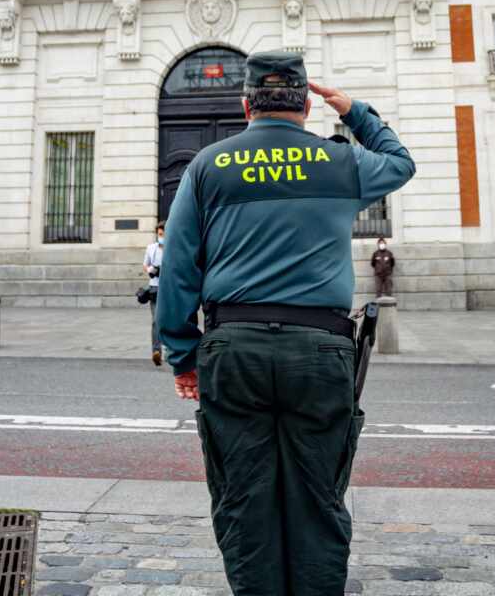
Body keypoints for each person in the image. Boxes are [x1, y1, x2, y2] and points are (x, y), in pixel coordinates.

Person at [157, 52, 415, 596]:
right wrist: (353, 110)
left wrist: (183, 356)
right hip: (320, 351)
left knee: (242, 497)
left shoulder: (207, 165)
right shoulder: (340, 163)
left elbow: (179, 267)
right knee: (318, 496)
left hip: (233, 348)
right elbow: (399, 163)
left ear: (246, 104)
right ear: (305, 104)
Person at [145, 223, 166, 365]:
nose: (161, 237)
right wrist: (150, 269)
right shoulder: (151, 248)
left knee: (170, 319)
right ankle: (156, 351)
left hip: (170, 289)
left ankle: (171, 348)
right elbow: (145, 264)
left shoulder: (173, 248)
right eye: (159, 234)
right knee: (155, 321)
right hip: (155, 288)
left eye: (163, 234)